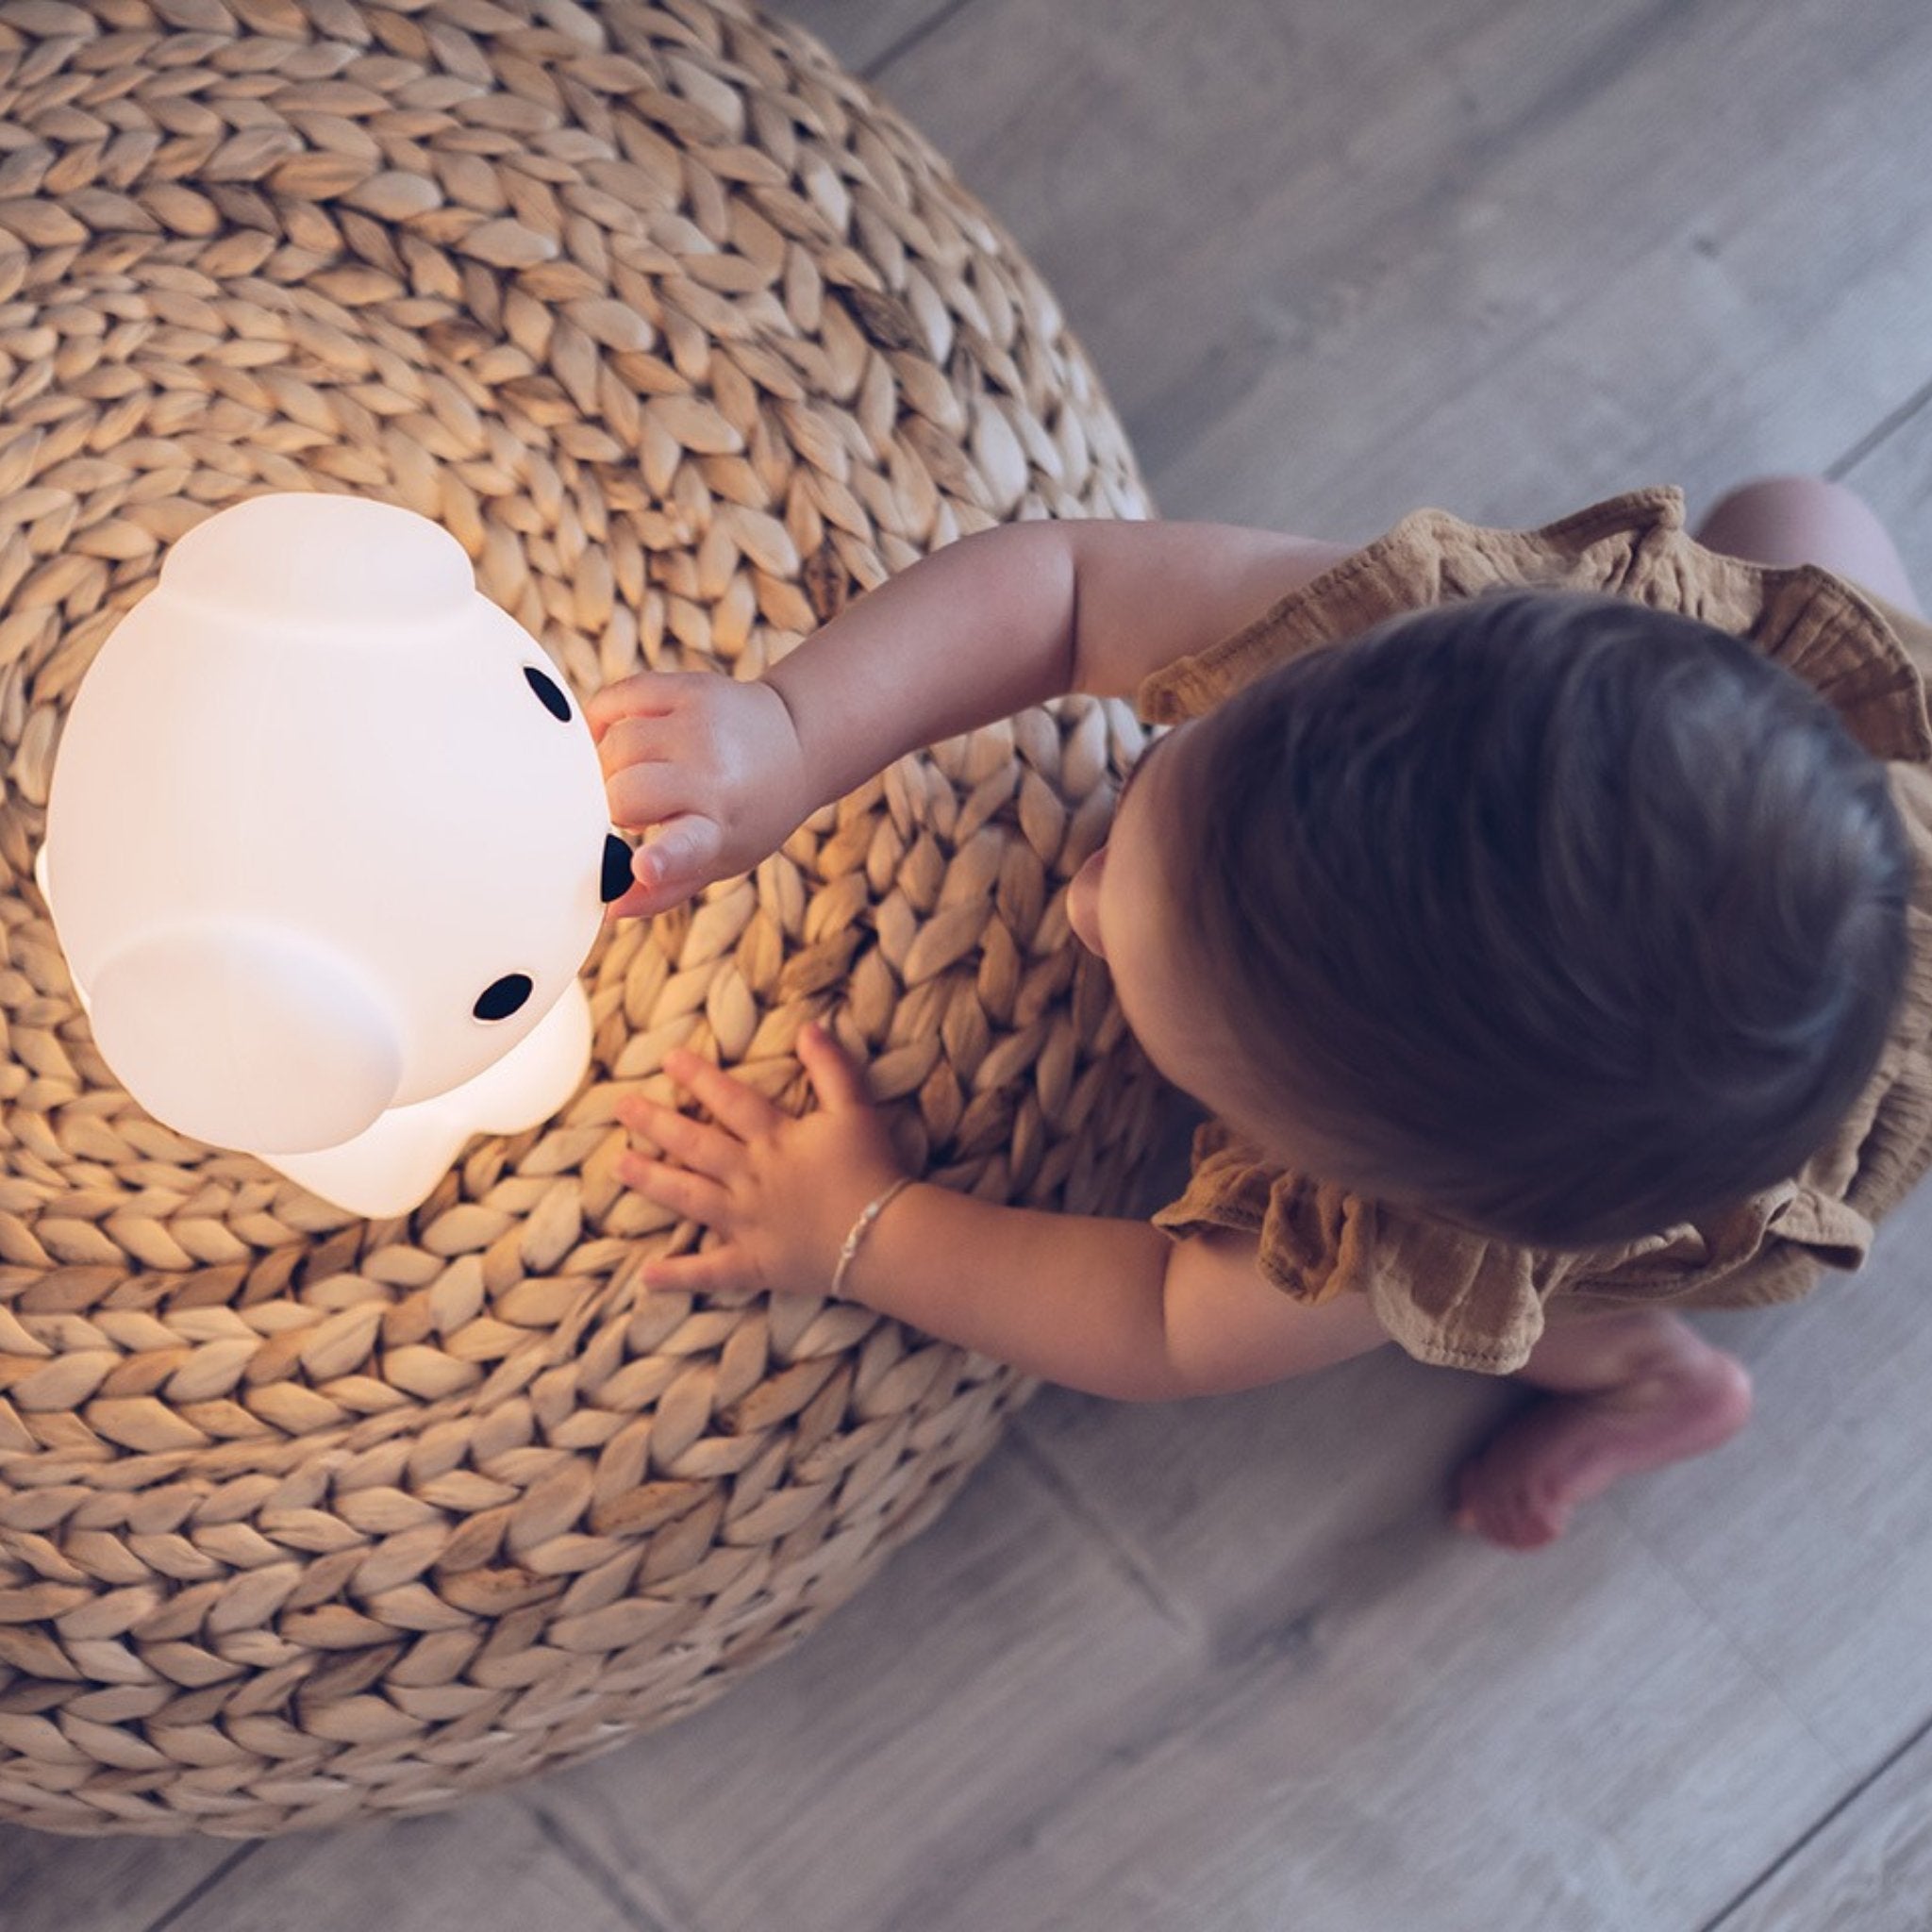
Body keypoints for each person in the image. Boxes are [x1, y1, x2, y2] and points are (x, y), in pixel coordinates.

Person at [586, 478, 1932, 1550]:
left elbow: (1157, 1324)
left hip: (1716, 1155)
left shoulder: (1399, 1237)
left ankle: (1650, 1376)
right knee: (1801, 515)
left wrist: (861, 1228)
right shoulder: (1376, 656)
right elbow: (1069, 588)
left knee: (1534, 1300)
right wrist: (790, 729)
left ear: (1346, 1168)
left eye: (1130, 951)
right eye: (1160, 783)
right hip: (1844, 809)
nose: (1078, 898)